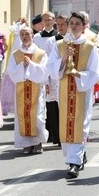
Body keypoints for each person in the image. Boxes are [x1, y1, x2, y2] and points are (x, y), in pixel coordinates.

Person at [47, 12, 99, 179]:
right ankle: (75, 157)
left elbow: (95, 72)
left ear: (84, 26)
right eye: (72, 23)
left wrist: (80, 75)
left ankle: (75, 163)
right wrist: (63, 59)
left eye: (78, 23)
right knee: (66, 123)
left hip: (81, 90)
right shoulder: (60, 45)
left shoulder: (89, 47)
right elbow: (50, 67)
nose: (74, 26)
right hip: (64, 90)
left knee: (80, 124)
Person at [8, 25, 49, 154]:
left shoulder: (41, 53)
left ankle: (38, 142)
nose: (24, 37)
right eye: (22, 35)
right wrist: (22, 66)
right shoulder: (16, 54)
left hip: (37, 89)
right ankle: (26, 143)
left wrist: (30, 65)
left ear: (32, 35)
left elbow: (44, 71)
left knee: (38, 117)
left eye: (27, 34)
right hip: (21, 89)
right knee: (22, 116)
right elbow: (11, 72)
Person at [33, 12, 60, 146]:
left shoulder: (57, 36)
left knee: (55, 104)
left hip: (54, 70)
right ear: (42, 21)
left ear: (53, 21)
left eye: (50, 19)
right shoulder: (37, 37)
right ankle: (46, 132)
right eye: (45, 20)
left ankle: (56, 133)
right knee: (44, 105)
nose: (47, 22)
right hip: (41, 71)